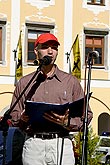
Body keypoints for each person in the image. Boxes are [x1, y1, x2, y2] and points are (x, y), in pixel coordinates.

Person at [10, 33, 93, 165]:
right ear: (36, 51)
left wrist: (68, 121)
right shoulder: (25, 82)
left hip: (62, 143)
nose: (50, 51)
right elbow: (13, 114)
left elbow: (87, 115)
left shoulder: (70, 81)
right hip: (33, 145)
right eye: (45, 47)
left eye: (54, 48)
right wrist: (21, 117)